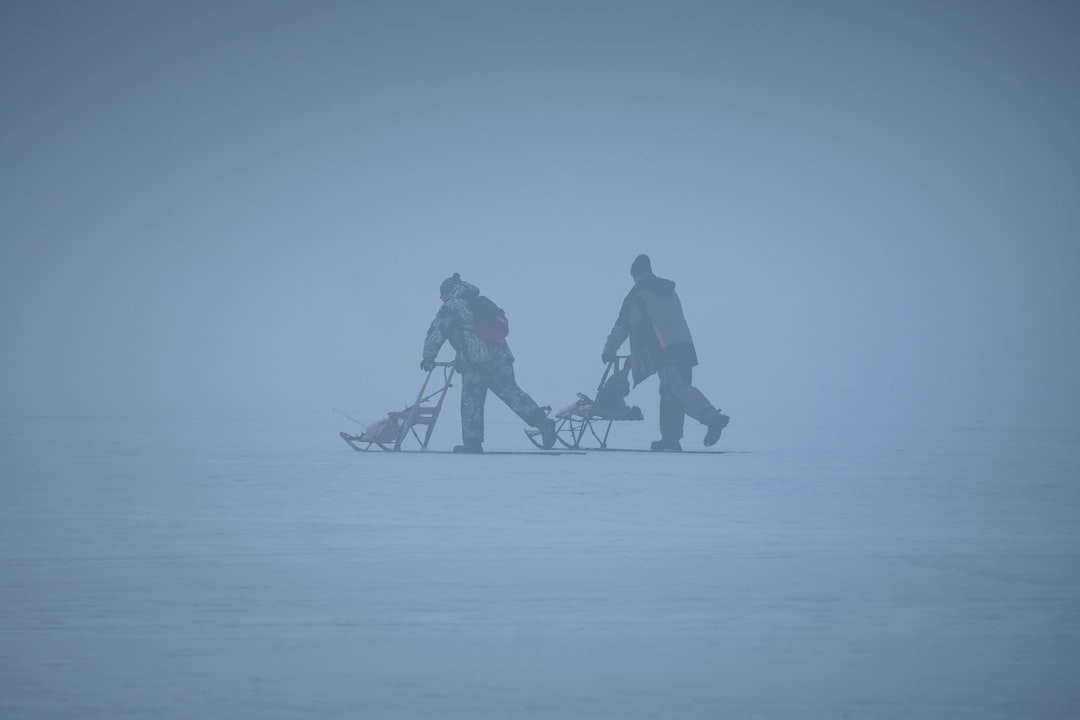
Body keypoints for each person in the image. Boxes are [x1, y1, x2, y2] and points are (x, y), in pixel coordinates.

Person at [601, 254, 729, 451]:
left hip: (665, 350)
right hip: (685, 347)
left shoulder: (639, 293)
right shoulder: (668, 290)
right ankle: (670, 439)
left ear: (636, 275)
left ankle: (712, 418)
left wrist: (609, 350)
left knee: (677, 387)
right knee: (670, 390)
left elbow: (624, 324)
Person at [422, 273, 557, 453]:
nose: (441, 297)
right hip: (501, 358)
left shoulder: (452, 307)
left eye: (442, 293)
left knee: (472, 400)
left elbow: (436, 332)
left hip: (476, 361)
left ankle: (472, 443)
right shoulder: (480, 302)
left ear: (450, 292)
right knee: (512, 393)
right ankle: (543, 423)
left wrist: (428, 357)